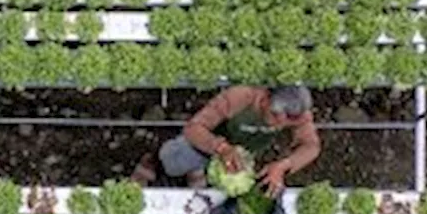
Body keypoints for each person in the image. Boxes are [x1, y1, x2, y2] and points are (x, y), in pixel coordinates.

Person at [132, 85, 321, 196]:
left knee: (225, 188)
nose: (281, 125)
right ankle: (153, 160)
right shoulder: (240, 97)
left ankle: (197, 171)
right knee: (172, 160)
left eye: (287, 121)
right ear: (265, 99)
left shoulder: (296, 113)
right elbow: (193, 129)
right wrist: (221, 148)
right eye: (275, 116)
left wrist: (284, 165)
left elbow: (311, 146)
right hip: (205, 144)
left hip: (242, 155)